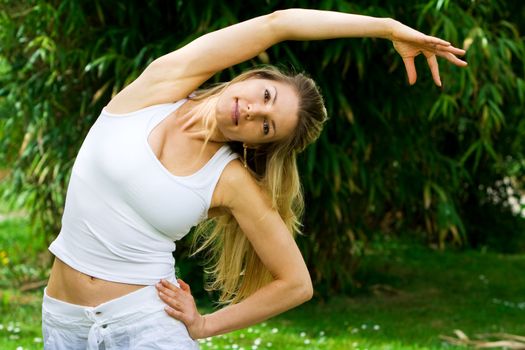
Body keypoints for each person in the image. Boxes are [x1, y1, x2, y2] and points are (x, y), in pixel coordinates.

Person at [42, 8, 467, 349]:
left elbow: (296, 284)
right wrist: (386, 27)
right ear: (256, 77)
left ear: (260, 145)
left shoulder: (228, 180)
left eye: (266, 126)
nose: (252, 112)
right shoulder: (157, 87)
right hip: (61, 321)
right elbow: (276, 24)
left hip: (147, 326)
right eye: (266, 97)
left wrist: (204, 324)